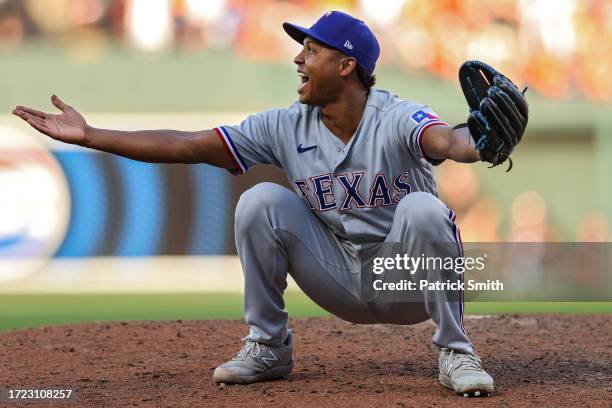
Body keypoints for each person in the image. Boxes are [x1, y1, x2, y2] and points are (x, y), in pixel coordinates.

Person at [13, 11, 495, 397]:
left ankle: (455, 351)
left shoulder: (394, 115)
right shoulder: (285, 126)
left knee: (423, 210)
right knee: (261, 200)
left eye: (311, 50)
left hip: (407, 282)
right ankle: (268, 348)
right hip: (340, 279)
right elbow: (188, 145)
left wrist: (479, 142)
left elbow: (446, 141)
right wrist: (92, 135)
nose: (298, 60)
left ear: (346, 65)